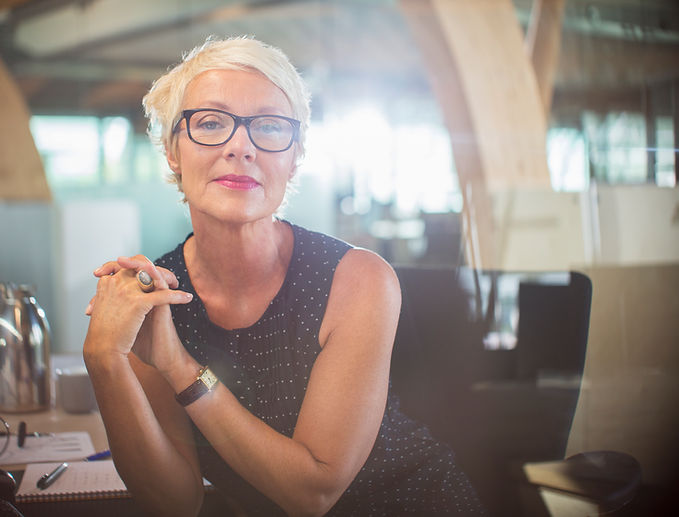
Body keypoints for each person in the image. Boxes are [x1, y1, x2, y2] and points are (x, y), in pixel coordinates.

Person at [83, 36, 483, 517]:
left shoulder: (358, 279)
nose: (240, 147)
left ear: (294, 159)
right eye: (210, 123)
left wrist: (179, 367)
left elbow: (314, 494)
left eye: (269, 127)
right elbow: (176, 503)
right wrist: (105, 360)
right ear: (172, 151)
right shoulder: (154, 297)